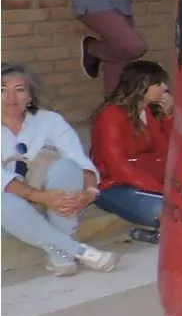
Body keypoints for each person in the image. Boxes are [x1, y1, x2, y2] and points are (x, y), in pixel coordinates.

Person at [1, 62, 120, 275]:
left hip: (52, 199)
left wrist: (89, 192)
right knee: (3, 202)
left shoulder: (49, 120)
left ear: (30, 96)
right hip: (11, 210)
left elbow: (78, 158)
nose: (10, 98)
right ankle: (77, 251)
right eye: (2, 90)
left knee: (67, 167)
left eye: (19, 90)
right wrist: (39, 196)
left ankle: (60, 255)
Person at [88, 61, 174, 244]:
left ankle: (161, 234)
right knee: (168, 210)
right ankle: (160, 233)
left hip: (145, 180)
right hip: (113, 186)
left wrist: (167, 116)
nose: (165, 88)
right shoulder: (110, 115)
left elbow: (166, 151)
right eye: (158, 84)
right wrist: (157, 189)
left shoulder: (146, 112)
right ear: (141, 86)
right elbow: (115, 164)